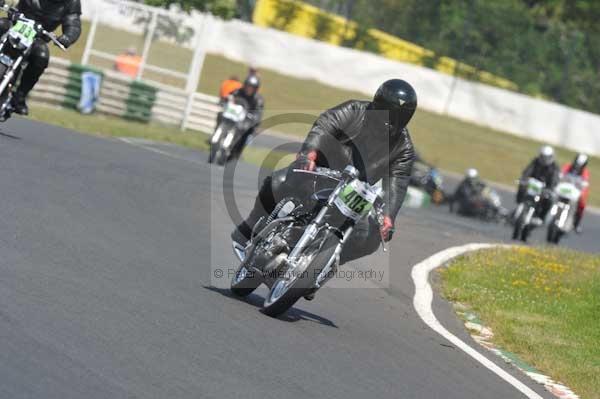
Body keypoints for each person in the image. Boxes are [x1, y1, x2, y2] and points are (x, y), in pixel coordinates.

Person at [231, 79, 417, 265]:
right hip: (321, 171)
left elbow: (398, 180)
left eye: (398, 118)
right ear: (377, 105)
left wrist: (388, 216)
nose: (389, 122)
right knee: (277, 182)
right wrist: (309, 154)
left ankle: (326, 265)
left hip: (355, 192)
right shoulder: (354, 110)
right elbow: (325, 125)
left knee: (372, 237)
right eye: (387, 114)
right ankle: (248, 229)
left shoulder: (404, 148)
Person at [0, 0, 82, 115]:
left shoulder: (72, 2)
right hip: (15, 22)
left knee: (42, 56)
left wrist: (67, 37)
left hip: (38, 36)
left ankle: (19, 96)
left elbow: (73, 23)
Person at [516, 145, 560, 220]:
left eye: (546, 157)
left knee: (550, 199)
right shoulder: (535, 161)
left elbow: (554, 179)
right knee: (522, 186)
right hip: (533, 184)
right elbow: (528, 171)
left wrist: (550, 188)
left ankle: (541, 217)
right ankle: (520, 203)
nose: (544, 159)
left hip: (545, 188)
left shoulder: (554, 167)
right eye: (543, 156)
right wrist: (524, 179)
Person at [226, 75, 264, 160]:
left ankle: (237, 150)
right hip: (233, 115)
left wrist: (254, 118)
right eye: (248, 86)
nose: (249, 89)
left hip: (246, 119)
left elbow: (259, 112)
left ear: (255, 89)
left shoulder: (258, 99)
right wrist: (226, 100)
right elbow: (229, 97)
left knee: (247, 130)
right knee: (221, 116)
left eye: (251, 88)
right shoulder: (238, 92)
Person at [561, 153, 590, 233]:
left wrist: (582, 192)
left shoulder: (585, 172)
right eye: (577, 163)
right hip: (564, 189)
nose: (578, 166)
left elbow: (585, 184)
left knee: (581, 204)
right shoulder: (568, 166)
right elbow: (561, 174)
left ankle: (576, 223)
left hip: (575, 192)